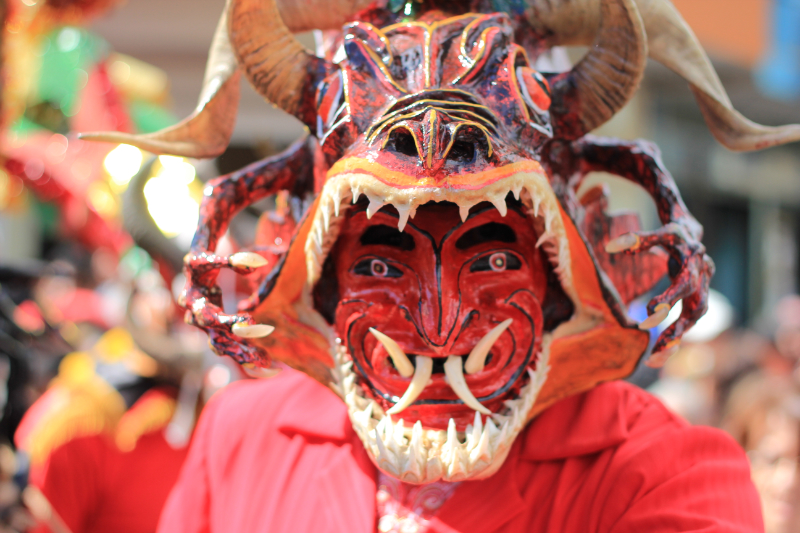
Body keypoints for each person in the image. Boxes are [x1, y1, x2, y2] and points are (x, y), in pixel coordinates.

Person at [83, 0, 800, 531]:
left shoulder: (663, 473)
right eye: (384, 265)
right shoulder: (239, 436)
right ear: (324, 272)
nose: (438, 323)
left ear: (556, 272)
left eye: (490, 257)